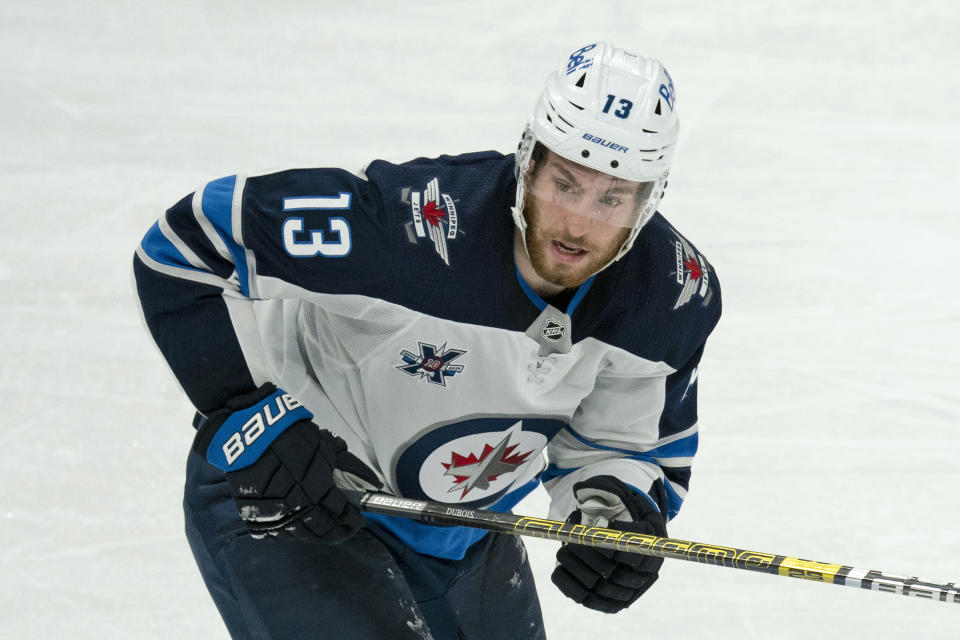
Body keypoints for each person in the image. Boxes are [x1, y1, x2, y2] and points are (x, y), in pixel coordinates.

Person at [133, 41, 721, 640]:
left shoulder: (668, 296)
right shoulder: (411, 228)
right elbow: (183, 248)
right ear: (529, 159)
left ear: (649, 201)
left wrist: (613, 516)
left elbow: (629, 447)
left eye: (611, 199)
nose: (577, 223)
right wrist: (246, 416)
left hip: (462, 529)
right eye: (564, 185)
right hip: (291, 497)